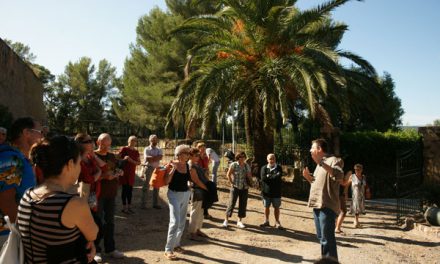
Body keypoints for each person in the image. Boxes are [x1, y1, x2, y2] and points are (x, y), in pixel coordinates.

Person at [17, 136, 98, 263]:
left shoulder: (27, 195)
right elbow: (93, 234)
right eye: (78, 162)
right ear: (70, 164)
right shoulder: (73, 204)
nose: (80, 167)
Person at [0, 117, 42, 245]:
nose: (41, 136)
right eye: (39, 131)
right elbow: (6, 200)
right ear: (26, 133)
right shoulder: (11, 158)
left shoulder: (20, 158)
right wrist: (24, 231)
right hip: (7, 234)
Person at [302, 138, 344, 260]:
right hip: (317, 205)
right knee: (322, 238)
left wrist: (321, 163)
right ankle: (326, 261)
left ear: (319, 149)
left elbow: (339, 175)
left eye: (312, 148)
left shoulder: (335, 160)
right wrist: (308, 178)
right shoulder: (319, 165)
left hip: (327, 206)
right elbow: (316, 184)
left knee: (327, 239)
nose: (310, 150)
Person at [94, 133, 125, 260]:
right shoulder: (93, 157)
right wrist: (104, 176)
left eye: (108, 144)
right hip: (97, 195)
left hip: (111, 194)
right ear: (98, 142)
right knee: (97, 222)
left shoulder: (112, 156)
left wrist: (119, 172)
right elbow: (89, 177)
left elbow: (116, 169)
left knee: (110, 222)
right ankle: (95, 250)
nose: (106, 146)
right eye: (103, 143)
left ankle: (110, 249)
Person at [163, 144, 193, 260]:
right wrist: (173, 169)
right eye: (187, 153)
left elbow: (188, 179)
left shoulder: (186, 164)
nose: (188, 155)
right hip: (174, 194)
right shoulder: (171, 165)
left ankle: (176, 245)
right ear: (180, 154)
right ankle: (168, 250)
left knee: (181, 222)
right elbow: (166, 181)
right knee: (174, 222)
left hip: (185, 194)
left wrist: (190, 188)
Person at [222, 151, 252, 229]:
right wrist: (231, 183)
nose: (242, 159)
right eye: (240, 157)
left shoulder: (246, 166)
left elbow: (249, 176)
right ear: (237, 158)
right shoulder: (234, 165)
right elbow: (228, 174)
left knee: (243, 204)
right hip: (235, 187)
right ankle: (226, 220)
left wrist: (251, 181)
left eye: (243, 157)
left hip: (244, 188)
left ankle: (239, 221)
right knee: (231, 204)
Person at [187, 147, 209, 241]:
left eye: (198, 155)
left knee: (201, 211)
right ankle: (192, 232)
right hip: (196, 190)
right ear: (190, 156)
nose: (198, 157)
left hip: (201, 190)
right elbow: (195, 180)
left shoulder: (195, 164)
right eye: (196, 155)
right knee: (195, 211)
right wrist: (206, 187)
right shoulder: (191, 165)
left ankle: (198, 230)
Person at [259, 153, 284, 230]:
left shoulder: (279, 168)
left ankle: (277, 222)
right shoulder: (263, 168)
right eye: (270, 159)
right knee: (266, 207)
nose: (272, 160)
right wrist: (274, 176)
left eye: (273, 158)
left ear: (275, 159)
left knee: (276, 207)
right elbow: (263, 179)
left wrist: (269, 176)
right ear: (267, 160)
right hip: (266, 192)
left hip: (276, 192)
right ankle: (266, 221)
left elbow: (278, 178)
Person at [118, 136, 140, 214]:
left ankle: (129, 207)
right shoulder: (124, 149)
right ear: (128, 141)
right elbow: (118, 159)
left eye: (134, 141)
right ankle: (124, 207)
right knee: (125, 190)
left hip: (131, 173)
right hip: (124, 173)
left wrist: (130, 160)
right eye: (131, 140)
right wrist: (124, 159)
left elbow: (139, 162)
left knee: (130, 190)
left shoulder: (136, 151)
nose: (133, 142)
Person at [141, 134, 163, 209]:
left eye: (155, 139)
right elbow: (147, 159)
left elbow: (160, 157)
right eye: (153, 139)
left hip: (157, 169)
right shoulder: (146, 149)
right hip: (148, 168)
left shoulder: (159, 149)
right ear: (150, 140)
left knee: (156, 186)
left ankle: (155, 204)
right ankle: (143, 204)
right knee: (146, 186)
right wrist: (155, 158)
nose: (154, 141)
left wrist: (152, 158)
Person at [196, 142, 211, 218]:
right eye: (202, 148)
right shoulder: (196, 157)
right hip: (198, 177)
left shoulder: (205, 157)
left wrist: (208, 174)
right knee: (199, 196)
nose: (203, 150)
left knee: (205, 195)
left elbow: (207, 166)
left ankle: (205, 213)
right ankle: (202, 213)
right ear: (198, 149)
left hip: (204, 177)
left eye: (204, 148)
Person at [348, 164, 367, 228]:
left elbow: (365, 185)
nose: (357, 171)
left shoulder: (363, 177)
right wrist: (345, 192)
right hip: (355, 195)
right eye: (355, 169)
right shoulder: (352, 176)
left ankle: (356, 221)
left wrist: (367, 191)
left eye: (358, 169)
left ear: (361, 170)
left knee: (359, 208)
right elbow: (347, 184)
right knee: (356, 208)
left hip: (361, 195)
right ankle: (356, 221)